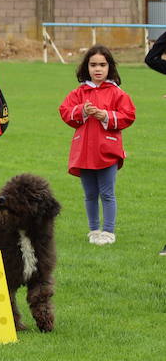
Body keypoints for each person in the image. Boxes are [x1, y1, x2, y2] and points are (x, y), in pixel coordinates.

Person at [58, 45, 135, 247]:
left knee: (107, 193)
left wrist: (106, 116)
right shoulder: (79, 92)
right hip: (83, 152)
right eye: (93, 65)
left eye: (102, 64)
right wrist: (82, 110)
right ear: (87, 67)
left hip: (107, 151)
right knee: (90, 194)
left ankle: (108, 232)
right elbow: (65, 111)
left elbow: (128, 115)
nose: (97, 69)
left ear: (109, 67)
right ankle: (94, 230)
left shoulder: (117, 93)